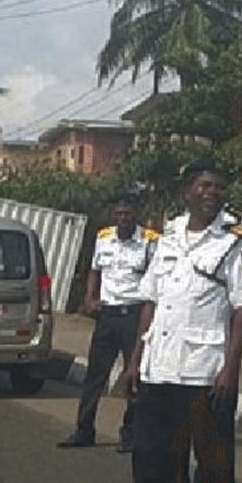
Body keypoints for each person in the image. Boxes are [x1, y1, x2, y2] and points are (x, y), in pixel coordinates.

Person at [123, 158, 242, 483]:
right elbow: (151, 301)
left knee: (212, 465)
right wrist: (135, 360)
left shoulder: (237, 241)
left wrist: (230, 370)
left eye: (219, 187)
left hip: (204, 371)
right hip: (158, 368)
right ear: (188, 191)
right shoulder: (169, 235)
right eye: (204, 185)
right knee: (152, 457)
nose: (212, 192)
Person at [58, 193, 158, 452]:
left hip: (135, 315)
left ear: (136, 214)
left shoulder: (149, 241)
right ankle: (84, 430)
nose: (123, 218)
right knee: (95, 375)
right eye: (118, 214)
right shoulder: (104, 237)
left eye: (127, 214)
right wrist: (90, 297)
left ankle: (130, 434)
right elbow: (95, 269)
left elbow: (155, 280)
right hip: (107, 315)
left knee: (133, 375)